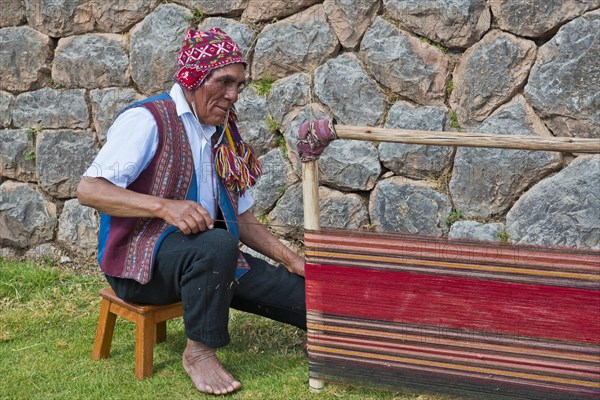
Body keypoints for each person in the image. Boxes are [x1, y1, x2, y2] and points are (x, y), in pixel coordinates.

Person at [77, 28, 306, 395]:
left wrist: (291, 258)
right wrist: (164, 207)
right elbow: (89, 190)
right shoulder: (148, 120)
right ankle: (199, 351)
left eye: (239, 85)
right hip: (141, 267)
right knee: (215, 244)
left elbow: (240, 219)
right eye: (224, 82)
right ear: (193, 78)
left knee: (307, 299)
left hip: (211, 262)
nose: (232, 95)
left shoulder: (221, 134)